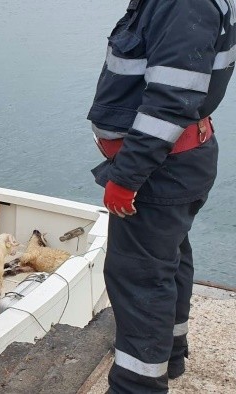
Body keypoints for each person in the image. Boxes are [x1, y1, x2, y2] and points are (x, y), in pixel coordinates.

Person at [87, 1, 235, 391]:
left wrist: (127, 177)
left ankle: (136, 386)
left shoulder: (182, 3)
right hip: (179, 162)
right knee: (167, 261)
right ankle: (170, 354)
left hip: (160, 171)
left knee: (139, 280)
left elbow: (170, 101)